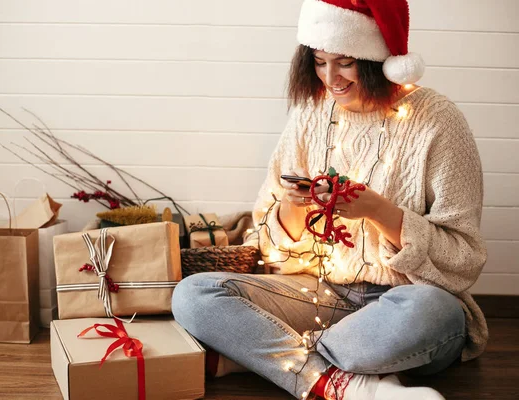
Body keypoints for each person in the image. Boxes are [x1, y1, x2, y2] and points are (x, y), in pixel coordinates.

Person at [172, 1, 488, 399]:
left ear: (379, 61)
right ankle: (348, 385)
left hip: (405, 301)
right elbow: (272, 246)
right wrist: (292, 204)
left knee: (431, 313)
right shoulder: (311, 113)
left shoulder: (438, 121)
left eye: (345, 62)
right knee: (194, 295)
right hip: (321, 294)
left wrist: (378, 211)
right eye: (319, 62)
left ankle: (262, 355)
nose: (330, 78)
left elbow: (464, 259)